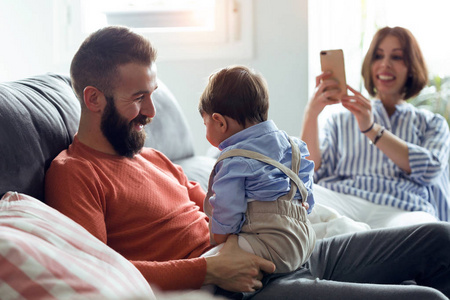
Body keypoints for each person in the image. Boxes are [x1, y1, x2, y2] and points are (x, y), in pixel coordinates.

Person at [45, 25, 450, 299]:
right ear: (94, 99)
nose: (152, 110)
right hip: (250, 285)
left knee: (440, 238)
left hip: (284, 251)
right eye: (138, 98)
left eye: (152, 93)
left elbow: (220, 202)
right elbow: (99, 272)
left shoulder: (152, 157)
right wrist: (208, 271)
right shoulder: (75, 173)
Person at [301, 26, 450, 229]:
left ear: (412, 67)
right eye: (378, 56)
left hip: (401, 207)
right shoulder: (340, 121)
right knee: (294, 202)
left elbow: (430, 169)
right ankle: (354, 235)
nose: (385, 64)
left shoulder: (432, 123)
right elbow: (309, 172)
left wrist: (371, 129)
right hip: (343, 200)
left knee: (431, 230)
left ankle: (353, 236)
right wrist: (312, 113)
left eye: (396, 57)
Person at [198, 65, 316, 274]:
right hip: (305, 237)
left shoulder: (233, 160)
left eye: (205, 123)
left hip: (269, 243)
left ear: (219, 122)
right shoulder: (294, 145)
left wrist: (222, 240)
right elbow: (306, 189)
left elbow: (227, 209)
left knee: (207, 266)